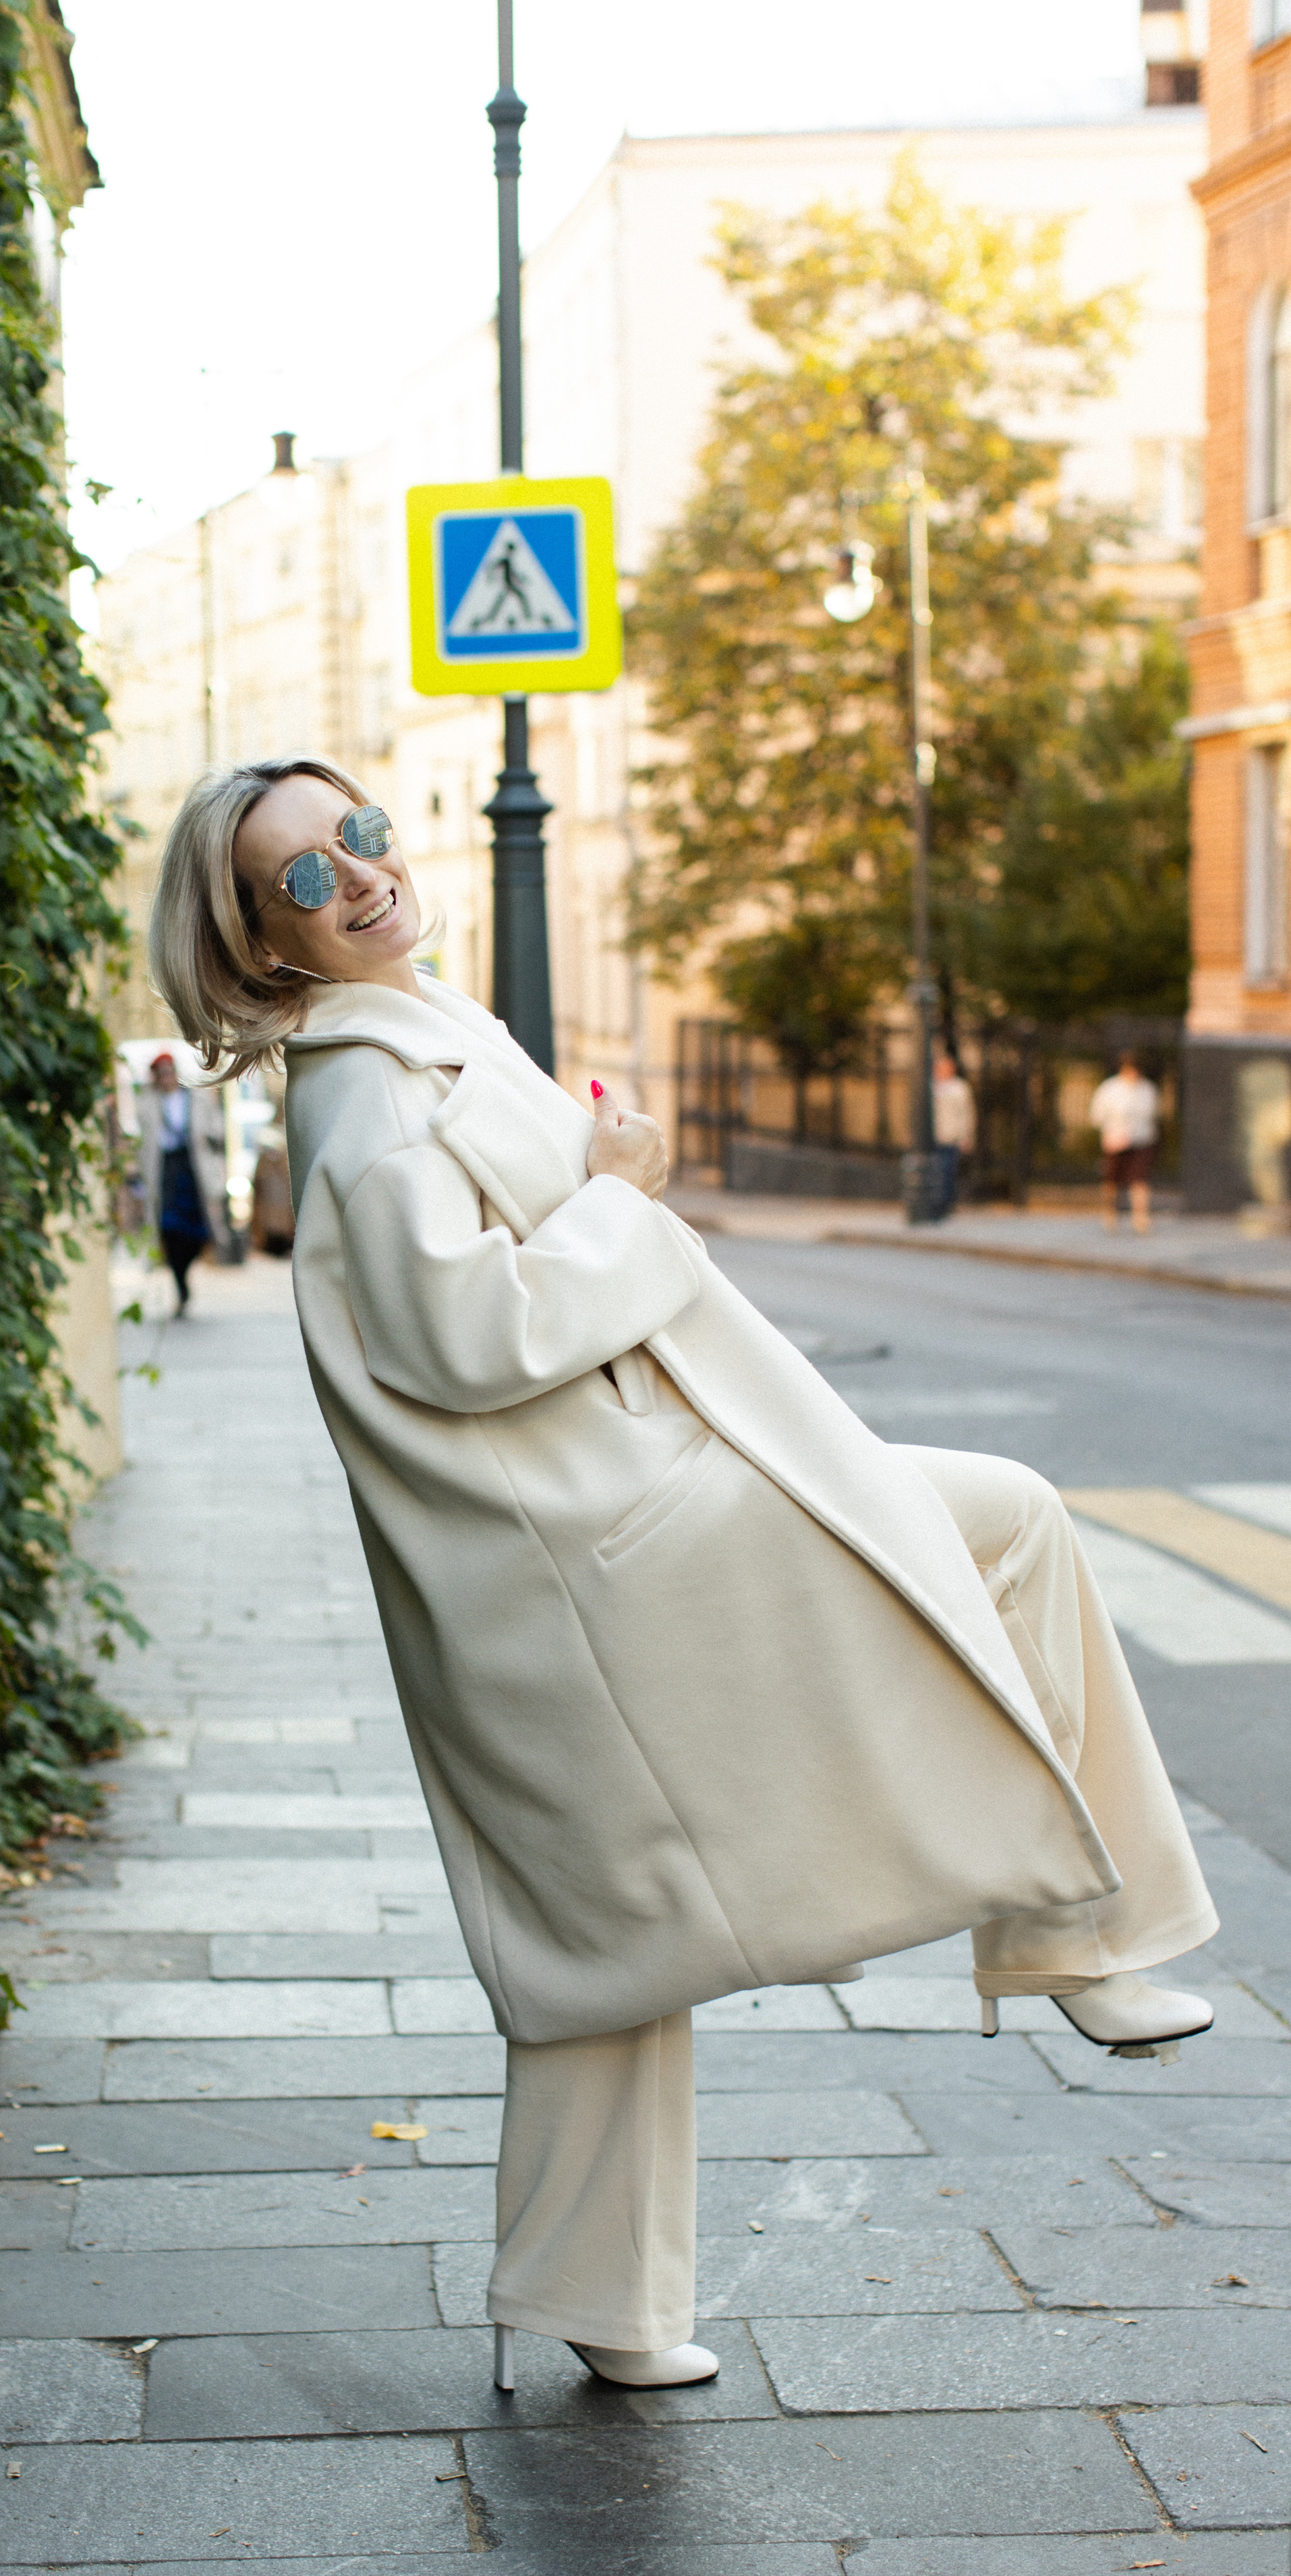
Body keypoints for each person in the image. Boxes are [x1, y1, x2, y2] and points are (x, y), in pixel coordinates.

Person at [148, 755, 1217, 2397]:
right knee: (999, 1518)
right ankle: (1077, 1932)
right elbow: (471, 1330)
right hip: (600, 1531)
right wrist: (621, 1195)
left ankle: (608, 2302)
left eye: (356, 833)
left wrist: (593, 1190)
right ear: (261, 941)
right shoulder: (367, 1088)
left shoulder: (410, 1034)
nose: (354, 876)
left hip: (563, 1543)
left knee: (604, 1928)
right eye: (300, 877)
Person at [136, 1050, 227, 1313]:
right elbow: (142, 1142)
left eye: (169, 1072)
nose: (166, 1078)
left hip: (194, 1169)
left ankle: (185, 1273)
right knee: (170, 1231)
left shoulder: (197, 1098)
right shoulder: (147, 1102)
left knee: (198, 1231)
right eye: (161, 1074)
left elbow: (215, 1131)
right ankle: (180, 1283)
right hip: (166, 1173)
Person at [1090, 1052, 1159, 1236]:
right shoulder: (1110, 1089)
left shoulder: (1147, 1090)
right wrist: (1112, 1134)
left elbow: (1151, 1115)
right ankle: (1110, 1215)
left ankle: (1141, 1218)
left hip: (1140, 1142)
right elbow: (1097, 1115)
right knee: (1112, 1181)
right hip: (1115, 1142)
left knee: (1140, 1180)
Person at [931, 1052, 976, 1215]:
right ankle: (935, 1203)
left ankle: (946, 1205)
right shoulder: (931, 1086)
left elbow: (967, 1113)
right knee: (935, 1172)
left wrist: (967, 1136)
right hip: (934, 1137)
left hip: (951, 1136)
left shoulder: (959, 1088)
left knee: (948, 1172)